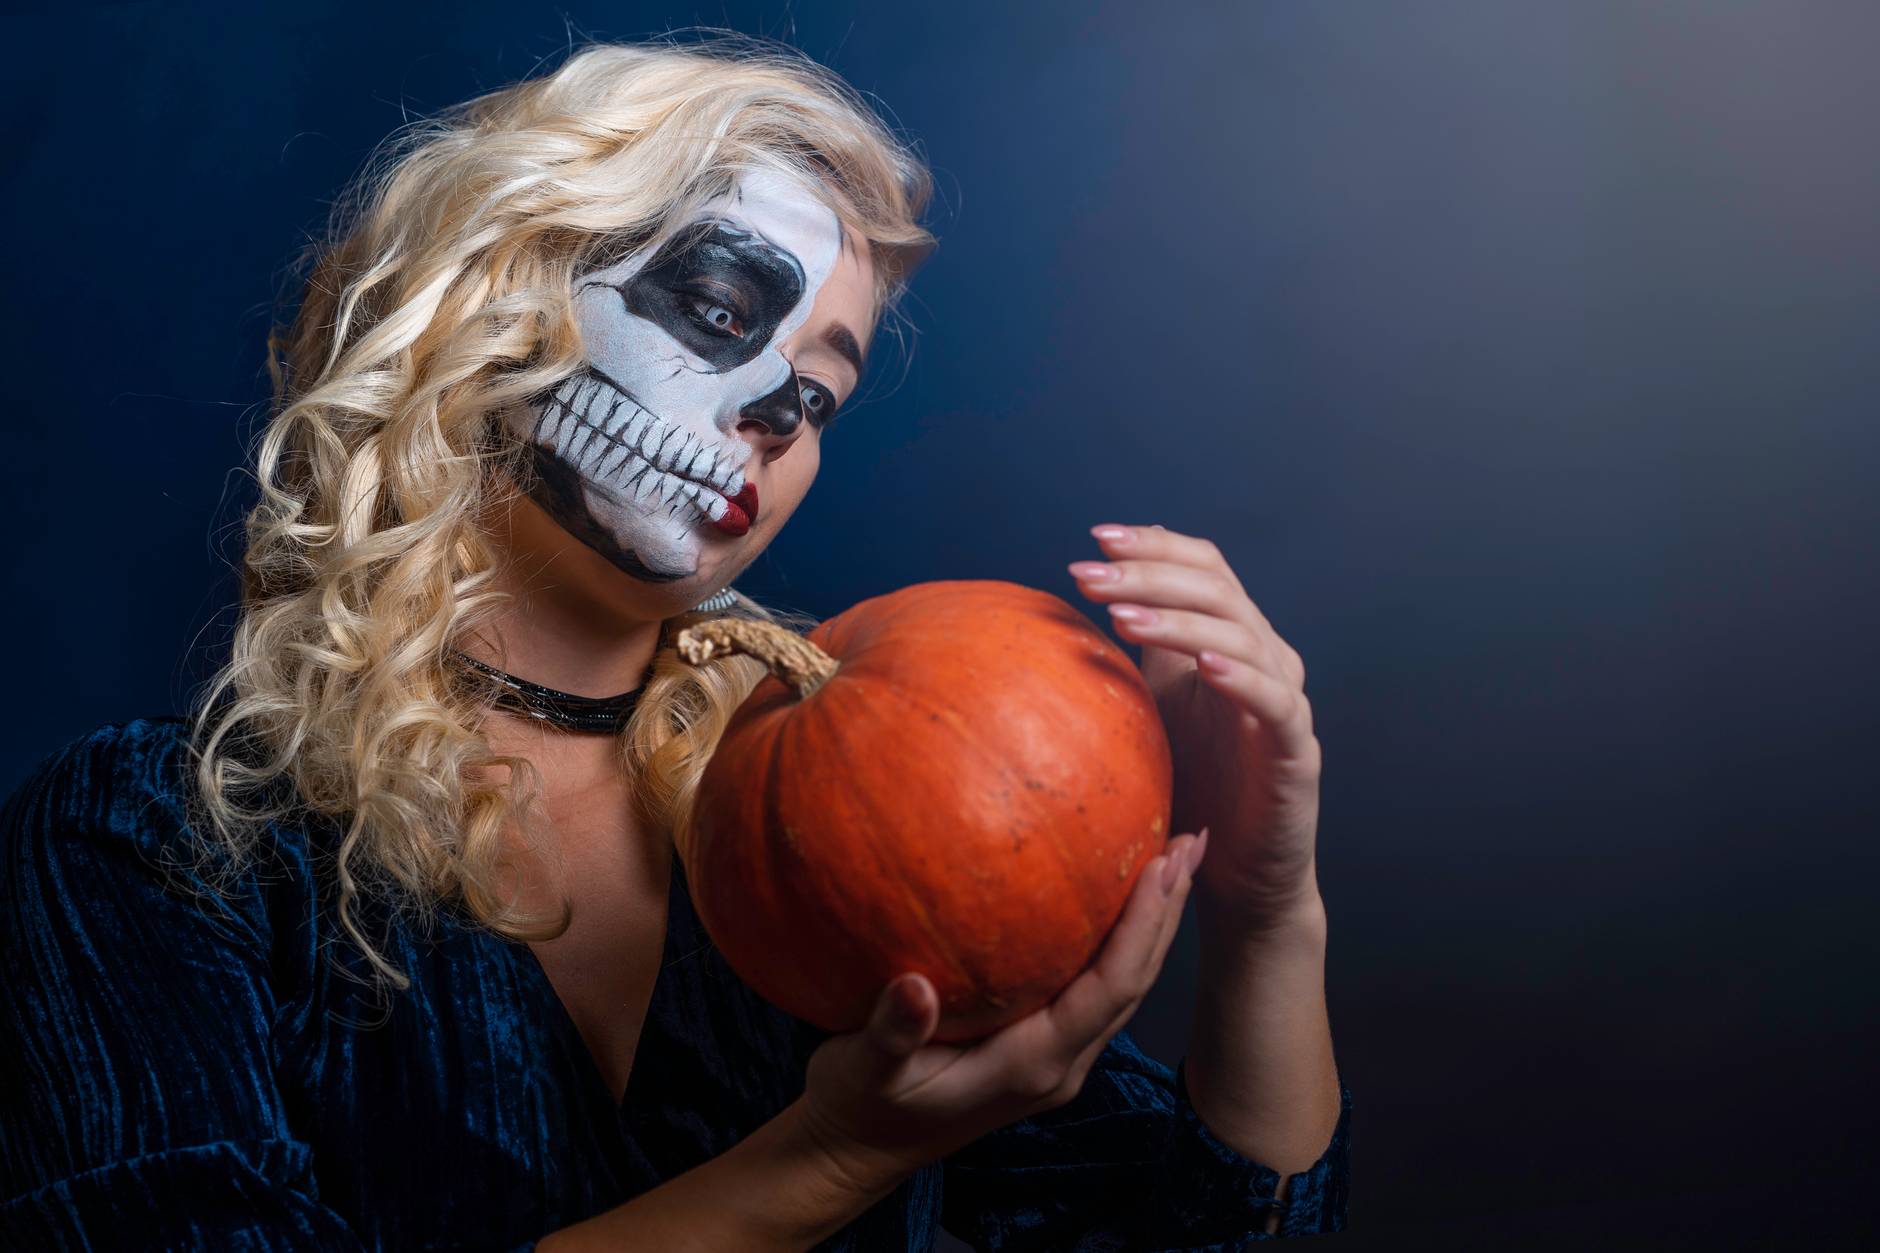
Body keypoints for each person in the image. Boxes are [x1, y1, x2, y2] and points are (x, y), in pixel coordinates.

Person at [0, 35, 1351, 1250]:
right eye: (718, 311)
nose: (777, 413)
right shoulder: (160, 846)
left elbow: (1227, 1228)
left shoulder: (858, 827)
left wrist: (1267, 908)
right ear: (492, 297)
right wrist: (835, 1157)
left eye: (822, 395)